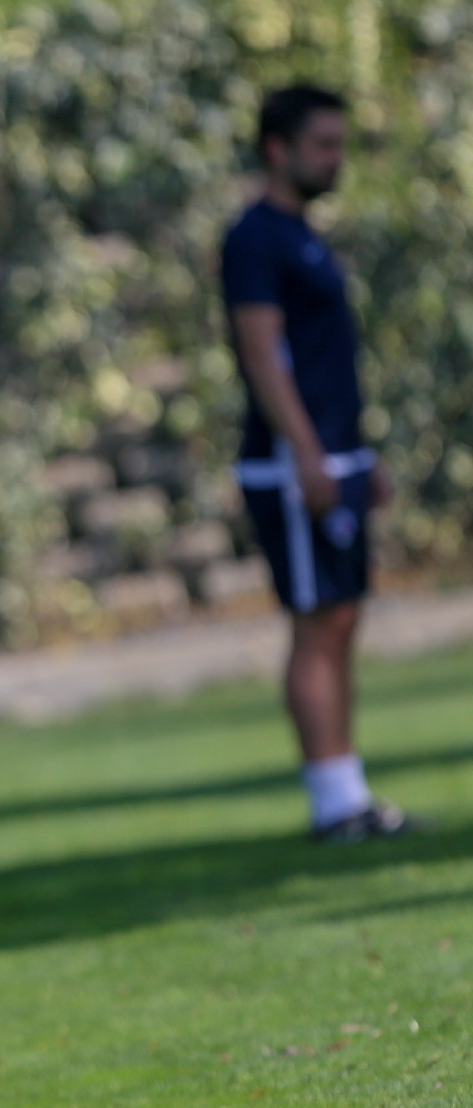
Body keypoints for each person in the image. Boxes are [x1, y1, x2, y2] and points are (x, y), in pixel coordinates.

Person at [221, 84, 412, 842]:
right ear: (278, 149)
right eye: (324, 144)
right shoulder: (255, 238)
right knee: (317, 625)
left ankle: (350, 794)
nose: (337, 159)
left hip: (336, 456)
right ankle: (334, 806)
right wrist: (306, 451)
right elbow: (262, 352)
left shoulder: (303, 234)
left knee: (342, 618)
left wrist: (359, 454)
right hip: (293, 464)